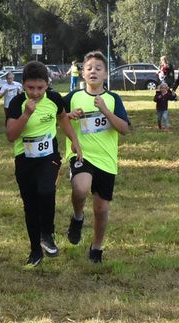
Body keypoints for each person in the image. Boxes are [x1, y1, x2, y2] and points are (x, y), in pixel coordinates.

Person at [6, 61, 82, 267]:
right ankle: (35, 251)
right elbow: (11, 135)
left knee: (47, 191)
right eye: (30, 88)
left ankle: (47, 234)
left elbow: (63, 119)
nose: (35, 93)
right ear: (23, 85)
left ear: (47, 84)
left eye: (40, 88)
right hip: (24, 159)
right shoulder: (17, 103)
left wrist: (74, 141)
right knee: (30, 205)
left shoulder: (54, 99)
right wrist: (26, 114)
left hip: (49, 157)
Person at [64, 51, 130, 263]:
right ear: (83, 73)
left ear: (105, 74)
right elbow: (56, 117)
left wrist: (105, 111)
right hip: (81, 154)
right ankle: (78, 217)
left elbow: (124, 129)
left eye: (98, 68)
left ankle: (97, 248)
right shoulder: (73, 97)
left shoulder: (112, 99)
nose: (93, 71)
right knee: (81, 188)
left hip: (106, 160)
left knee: (101, 210)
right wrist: (68, 115)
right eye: (89, 68)